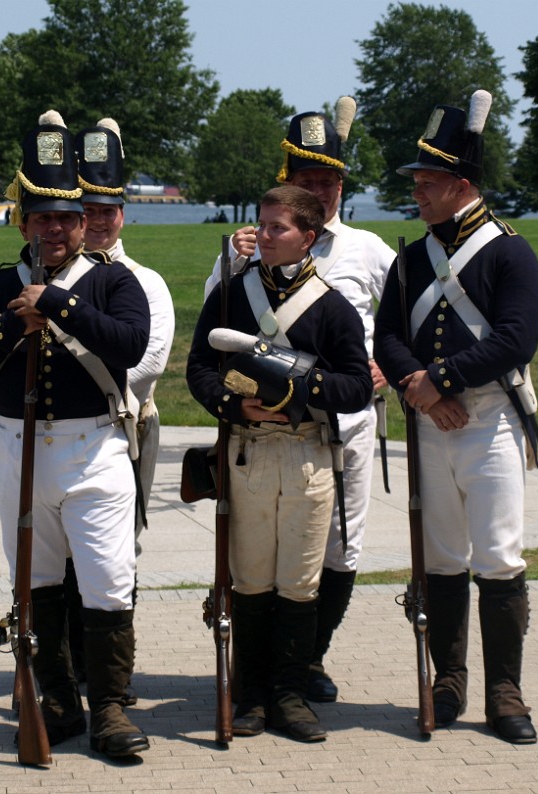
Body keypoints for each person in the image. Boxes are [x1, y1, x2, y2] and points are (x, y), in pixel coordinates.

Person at [0, 110, 152, 761]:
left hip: (95, 451)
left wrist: (56, 305)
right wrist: (16, 323)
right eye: (41, 218)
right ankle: (57, 704)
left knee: (108, 578)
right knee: (36, 584)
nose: (54, 230)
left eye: (65, 218)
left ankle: (110, 708)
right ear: (24, 222)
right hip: (18, 451)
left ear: (84, 222)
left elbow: (130, 343)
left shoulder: (115, 282)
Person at [203, 97, 394, 705]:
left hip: (343, 420)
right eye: (309, 179)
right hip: (260, 431)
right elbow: (215, 329)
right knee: (259, 560)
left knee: (336, 547)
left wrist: (390, 366)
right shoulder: (247, 248)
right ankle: (265, 677)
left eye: (330, 179)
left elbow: (400, 326)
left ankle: (306, 661)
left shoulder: (367, 249)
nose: (323, 187)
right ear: (288, 182)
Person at [373, 89, 538, 745]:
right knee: (441, 558)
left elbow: (514, 340)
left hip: (490, 421)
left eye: (427, 182)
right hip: (427, 421)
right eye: (417, 181)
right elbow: (387, 334)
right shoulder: (412, 259)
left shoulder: (511, 254)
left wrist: (435, 378)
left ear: (462, 184)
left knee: (497, 556)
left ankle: (506, 691)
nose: (416, 192)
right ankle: (448, 681)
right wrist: (416, 384)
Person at [187, 185, 372, 743]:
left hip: (308, 453)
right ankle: (251, 695)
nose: (263, 236)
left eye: (277, 228)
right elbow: (199, 368)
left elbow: (358, 386)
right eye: (261, 226)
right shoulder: (228, 296)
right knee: (250, 580)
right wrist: (229, 402)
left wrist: (298, 383)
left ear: (307, 237)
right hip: (248, 451)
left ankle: (289, 696)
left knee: (298, 581)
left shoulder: (333, 305)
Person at [62, 116, 175, 688]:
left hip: (128, 429)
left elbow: (147, 361)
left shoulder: (147, 281)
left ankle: (106, 669)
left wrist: (91, 397)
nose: (97, 220)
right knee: (57, 552)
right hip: (64, 431)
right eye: (86, 210)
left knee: (116, 548)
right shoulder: (52, 275)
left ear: (122, 214)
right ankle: (63, 660)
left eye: (107, 210)